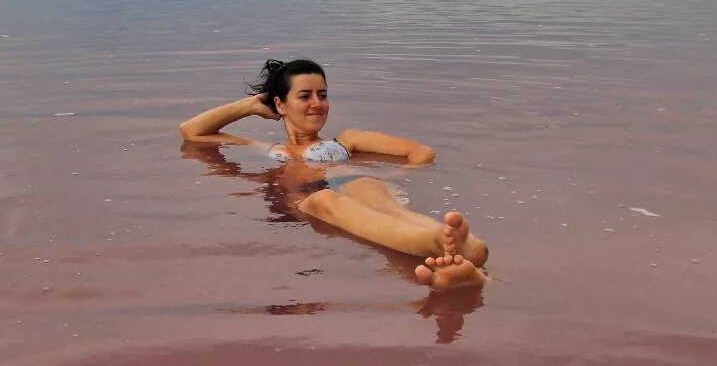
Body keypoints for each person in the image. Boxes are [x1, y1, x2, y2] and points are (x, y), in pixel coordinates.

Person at [179, 58, 489, 289]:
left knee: (379, 204)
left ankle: (447, 243)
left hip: (352, 182)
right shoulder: (267, 148)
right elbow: (192, 131)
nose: (317, 104)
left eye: (323, 94)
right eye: (305, 96)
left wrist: (393, 177)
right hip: (312, 198)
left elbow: (422, 152)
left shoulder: (345, 140)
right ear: (280, 104)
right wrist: (250, 105)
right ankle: (456, 251)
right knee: (325, 200)